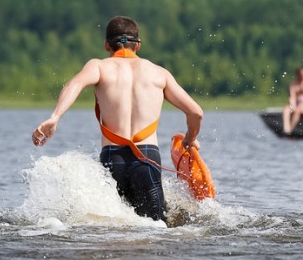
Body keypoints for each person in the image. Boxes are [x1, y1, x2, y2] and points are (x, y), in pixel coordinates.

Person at [31, 15, 204, 223]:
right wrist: (189, 138)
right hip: (146, 158)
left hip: (113, 159)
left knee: (114, 227)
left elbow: (73, 85)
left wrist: (55, 117)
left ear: (106, 45)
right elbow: (196, 113)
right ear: (137, 45)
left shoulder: (99, 67)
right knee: (157, 227)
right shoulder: (159, 74)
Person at [282, 67, 303, 134]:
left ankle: (290, 130)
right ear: (298, 75)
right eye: (302, 75)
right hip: (294, 103)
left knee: (298, 110)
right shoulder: (293, 83)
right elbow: (292, 97)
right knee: (286, 109)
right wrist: (292, 105)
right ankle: (286, 128)